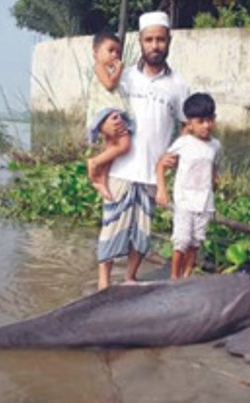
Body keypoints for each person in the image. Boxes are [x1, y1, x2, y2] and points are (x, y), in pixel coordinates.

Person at [96, 11, 190, 290]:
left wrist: (173, 153)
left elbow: (187, 124)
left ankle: (130, 279)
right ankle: (103, 283)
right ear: (140, 41)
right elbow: (101, 107)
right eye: (149, 39)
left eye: (160, 39)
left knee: (142, 232)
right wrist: (104, 129)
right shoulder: (123, 78)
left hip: (152, 172)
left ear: (169, 41)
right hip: (121, 168)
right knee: (111, 226)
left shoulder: (179, 85)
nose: (155, 45)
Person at [156, 93, 221, 280]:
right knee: (181, 241)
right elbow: (162, 164)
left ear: (214, 119)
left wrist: (215, 186)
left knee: (195, 242)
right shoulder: (183, 143)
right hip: (184, 201)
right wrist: (162, 189)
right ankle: (174, 277)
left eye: (210, 120)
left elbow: (214, 170)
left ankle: (186, 275)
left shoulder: (215, 146)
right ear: (190, 123)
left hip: (205, 203)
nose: (206, 125)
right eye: (200, 121)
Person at [85, 32, 134, 201]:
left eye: (118, 52)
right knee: (124, 144)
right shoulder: (100, 67)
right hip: (107, 112)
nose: (115, 55)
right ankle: (95, 162)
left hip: (111, 111)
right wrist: (119, 71)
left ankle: (101, 180)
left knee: (112, 148)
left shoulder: (110, 70)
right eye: (110, 50)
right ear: (96, 52)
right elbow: (109, 84)